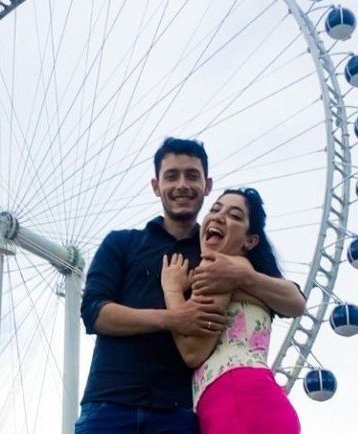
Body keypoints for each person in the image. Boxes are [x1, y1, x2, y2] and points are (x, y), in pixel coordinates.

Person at [77, 137, 300, 433]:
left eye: (192, 176)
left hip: (179, 412)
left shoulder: (220, 254)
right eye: (171, 176)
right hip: (111, 403)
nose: (182, 185)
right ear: (156, 185)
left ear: (207, 185)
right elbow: (94, 312)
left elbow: (293, 301)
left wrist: (243, 276)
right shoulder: (122, 243)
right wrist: (173, 318)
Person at [161, 188, 305, 434]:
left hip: (235, 400)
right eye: (215, 209)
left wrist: (172, 290)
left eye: (235, 216)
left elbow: (193, 351)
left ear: (251, 240)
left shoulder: (218, 268)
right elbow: (297, 303)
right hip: (258, 399)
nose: (219, 217)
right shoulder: (248, 276)